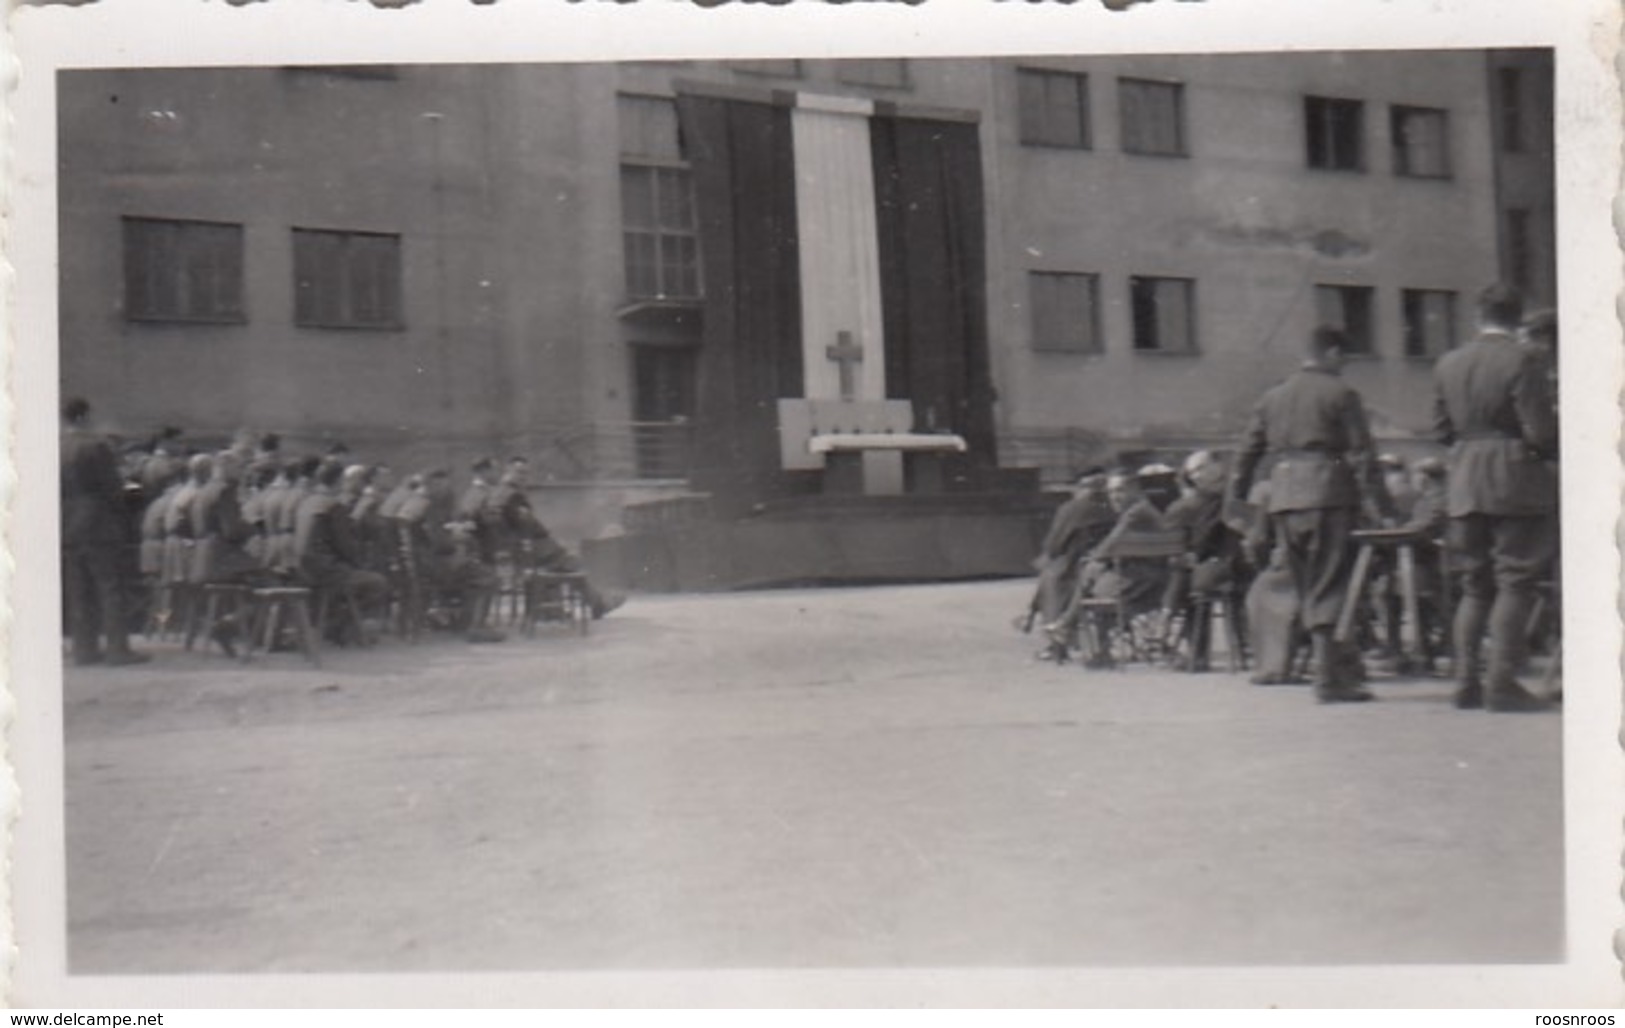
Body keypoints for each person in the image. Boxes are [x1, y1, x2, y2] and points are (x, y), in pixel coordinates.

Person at [1233, 326, 1391, 703]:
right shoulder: (1341, 393)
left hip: (1285, 496)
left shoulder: (1272, 397)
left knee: (1306, 586)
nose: (1345, 366)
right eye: (1345, 358)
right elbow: (1362, 455)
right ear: (1333, 353)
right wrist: (1383, 507)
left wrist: (1237, 496)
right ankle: (1329, 679)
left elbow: (1246, 452)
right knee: (1331, 583)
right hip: (1328, 492)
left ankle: (1333, 673)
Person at [1432, 283, 1558, 712]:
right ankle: (1502, 683)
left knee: (1475, 585)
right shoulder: (1524, 360)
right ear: (1518, 317)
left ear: (1477, 316)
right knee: (1515, 580)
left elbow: (1441, 429)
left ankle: (1465, 682)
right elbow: (1540, 432)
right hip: (1514, 478)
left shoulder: (1448, 362)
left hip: (1464, 480)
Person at [61, 398, 149, 665]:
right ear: (84, 416)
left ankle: (83, 650)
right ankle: (116, 649)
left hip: (66, 522)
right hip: (97, 521)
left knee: (78, 589)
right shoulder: (95, 446)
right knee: (110, 587)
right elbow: (111, 486)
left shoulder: (55, 446)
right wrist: (127, 501)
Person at [486, 456, 624, 618]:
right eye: (519, 472)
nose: (523, 477)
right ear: (507, 471)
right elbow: (515, 521)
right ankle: (596, 604)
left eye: (526, 473)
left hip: (527, 549)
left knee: (562, 564)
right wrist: (519, 541)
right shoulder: (509, 494)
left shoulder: (503, 492)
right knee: (573, 564)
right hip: (530, 549)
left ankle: (553, 611)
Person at [1160, 450, 1248, 671]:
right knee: (1189, 573)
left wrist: (1194, 554)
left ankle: (1173, 631)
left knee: (1189, 575)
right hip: (1224, 564)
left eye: (1200, 468)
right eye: (1192, 472)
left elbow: (1206, 536)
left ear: (1217, 465)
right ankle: (1191, 650)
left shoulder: (1224, 496)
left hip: (1233, 564)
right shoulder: (1210, 498)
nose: (1196, 476)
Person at [396, 468, 507, 643]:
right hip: (434, 565)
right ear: (433, 484)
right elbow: (439, 543)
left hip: (418, 564)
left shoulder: (412, 503)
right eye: (443, 484)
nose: (446, 489)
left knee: (469, 565)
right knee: (487, 575)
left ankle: (460, 621)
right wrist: (457, 537)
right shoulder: (428, 505)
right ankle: (475, 626)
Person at [294, 460, 390, 645]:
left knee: (354, 579)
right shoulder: (333, 505)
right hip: (324, 569)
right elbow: (345, 546)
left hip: (303, 567)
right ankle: (338, 624)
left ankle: (337, 625)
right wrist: (360, 563)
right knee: (378, 582)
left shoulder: (307, 501)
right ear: (338, 481)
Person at [1027, 465, 1114, 661]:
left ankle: (1055, 642)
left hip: (1074, 568)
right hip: (1109, 567)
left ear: (1079, 487)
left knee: (1049, 575)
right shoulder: (1113, 505)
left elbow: (1053, 545)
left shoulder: (1071, 508)